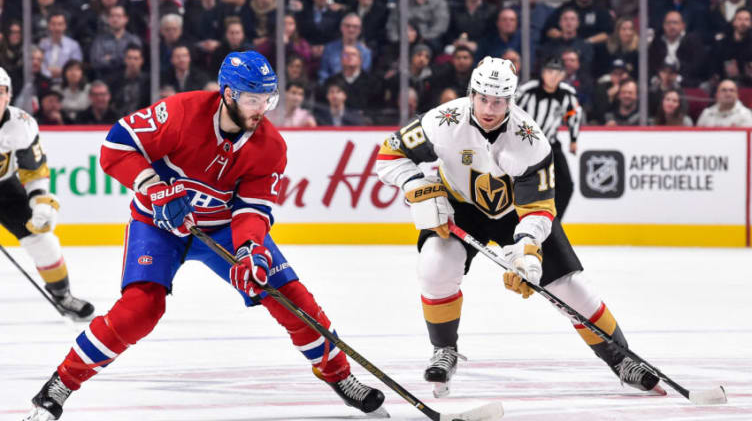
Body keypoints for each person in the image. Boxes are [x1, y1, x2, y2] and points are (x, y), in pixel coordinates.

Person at [22, 51, 385, 421]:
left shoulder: (270, 147)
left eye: (267, 99)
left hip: (225, 230)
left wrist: (250, 251)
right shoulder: (182, 112)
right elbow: (116, 146)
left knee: (289, 295)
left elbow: (252, 210)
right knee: (141, 309)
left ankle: (340, 377)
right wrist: (153, 187)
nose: (262, 109)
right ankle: (59, 386)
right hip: (158, 225)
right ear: (228, 93)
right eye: (252, 99)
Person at [375, 56, 665, 399]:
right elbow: (389, 154)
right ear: (471, 92)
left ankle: (622, 359)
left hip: (518, 213)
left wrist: (527, 255)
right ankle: (444, 349)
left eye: (498, 101)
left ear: (511, 99)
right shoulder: (442, 120)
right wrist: (415, 186)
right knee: (435, 266)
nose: (488, 108)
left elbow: (539, 209)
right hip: (460, 207)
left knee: (569, 288)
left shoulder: (531, 140)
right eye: (482, 98)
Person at [0, 67, 94, 320]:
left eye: (0, 92)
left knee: (43, 241)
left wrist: (40, 201)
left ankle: (63, 296)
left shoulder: (20, 125)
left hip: (5, 188)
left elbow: (32, 170)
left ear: (9, 95)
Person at [516, 56, 582, 219]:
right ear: (542, 73)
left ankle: (553, 224)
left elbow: (573, 114)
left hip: (550, 145)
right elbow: (511, 112)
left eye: (558, 72)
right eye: (549, 71)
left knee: (566, 186)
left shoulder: (567, 93)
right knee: (521, 185)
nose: (553, 76)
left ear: (563, 75)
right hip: (526, 146)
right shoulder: (527, 91)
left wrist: (574, 140)